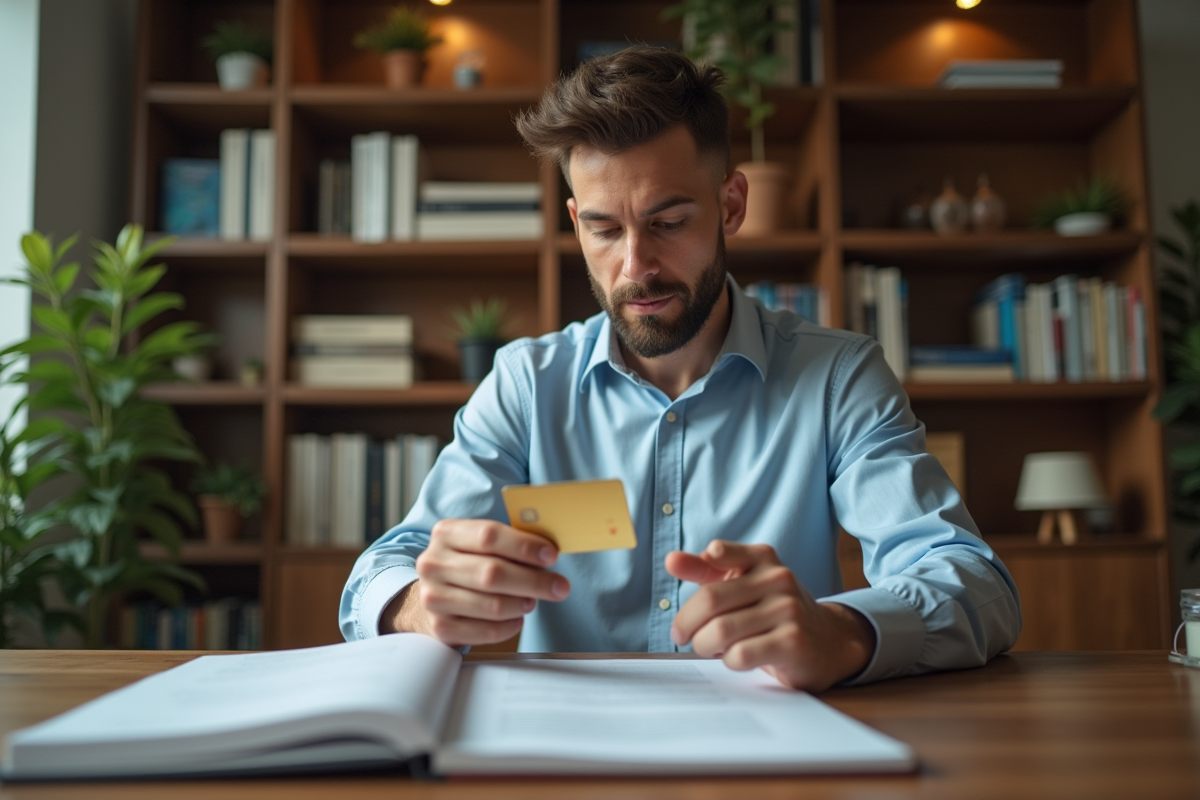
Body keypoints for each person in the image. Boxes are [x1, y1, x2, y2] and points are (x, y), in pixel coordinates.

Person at [340, 46, 1021, 691]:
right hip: (567, 744)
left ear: (731, 205)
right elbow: (382, 571)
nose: (635, 266)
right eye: (605, 229)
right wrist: (418, 607)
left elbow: (973, 582)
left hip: (769, 743)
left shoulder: (838, 377)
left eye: (668, 222)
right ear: (576, 223)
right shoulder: (525, 384)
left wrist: (840, 632)